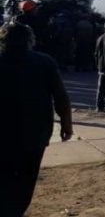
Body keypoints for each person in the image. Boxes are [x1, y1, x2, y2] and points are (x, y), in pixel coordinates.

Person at [0, 22, 73, 217]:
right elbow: (61, 96)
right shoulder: (44, 62)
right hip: (34, 132)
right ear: (29, 40)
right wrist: (66, 124)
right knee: (26, 178)